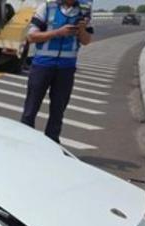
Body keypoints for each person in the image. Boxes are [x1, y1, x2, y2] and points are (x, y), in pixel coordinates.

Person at [20, 0, 93, 143]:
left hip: (66, 68)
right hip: (42, 65)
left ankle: (52, 144)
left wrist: (82, 30)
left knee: (58, 111)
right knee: (31, 109)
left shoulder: (84, 11)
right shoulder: (47, 7)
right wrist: (57, 32)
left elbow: (86, 41)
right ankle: (24, 142)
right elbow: (31, 36)